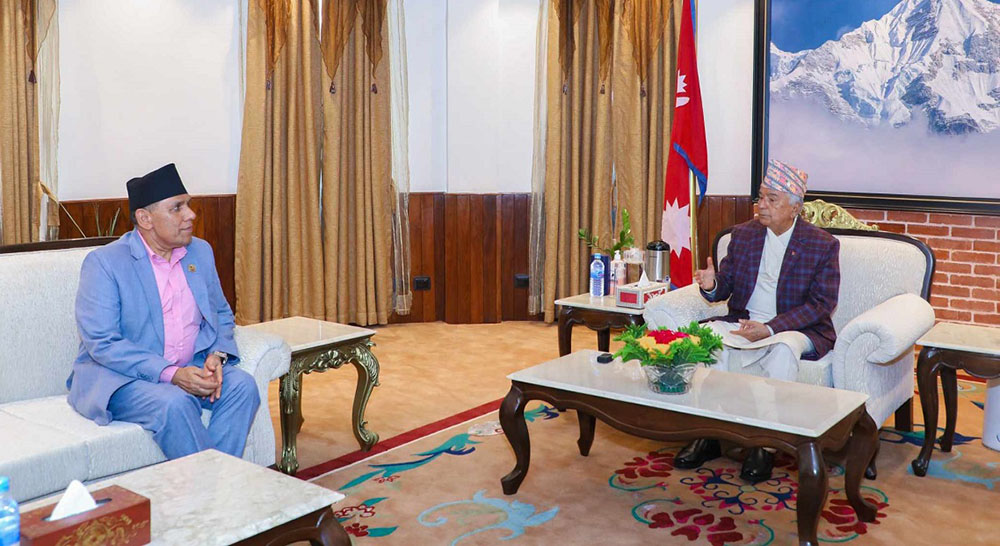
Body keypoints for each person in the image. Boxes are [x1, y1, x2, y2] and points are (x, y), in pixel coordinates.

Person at [67, 163, 260, 460]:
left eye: (188, 205)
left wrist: (217, 355)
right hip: (123, 378)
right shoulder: (105, 264)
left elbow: (221, 313)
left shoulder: (200, 252)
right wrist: (173, 374)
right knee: (175, 403)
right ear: (145, 219)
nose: (191, 215)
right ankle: (218, 486)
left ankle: (215, 483)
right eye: (177, 208)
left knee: (243, 387)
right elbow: (102, 343)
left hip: (191, 364)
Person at [673, 159, 840, 482]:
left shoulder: (822, 245)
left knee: (782, 351)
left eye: (771, 199)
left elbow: (822, 304)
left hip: (795, 328)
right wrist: (712, 284)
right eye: (760, 197)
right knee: (709, 342)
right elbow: (726, 285)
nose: (761, 205)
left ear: (794, 208)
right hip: (745, 321)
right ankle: (709, 434)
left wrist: (771, 328)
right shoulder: (744, 235)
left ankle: (764, 445)